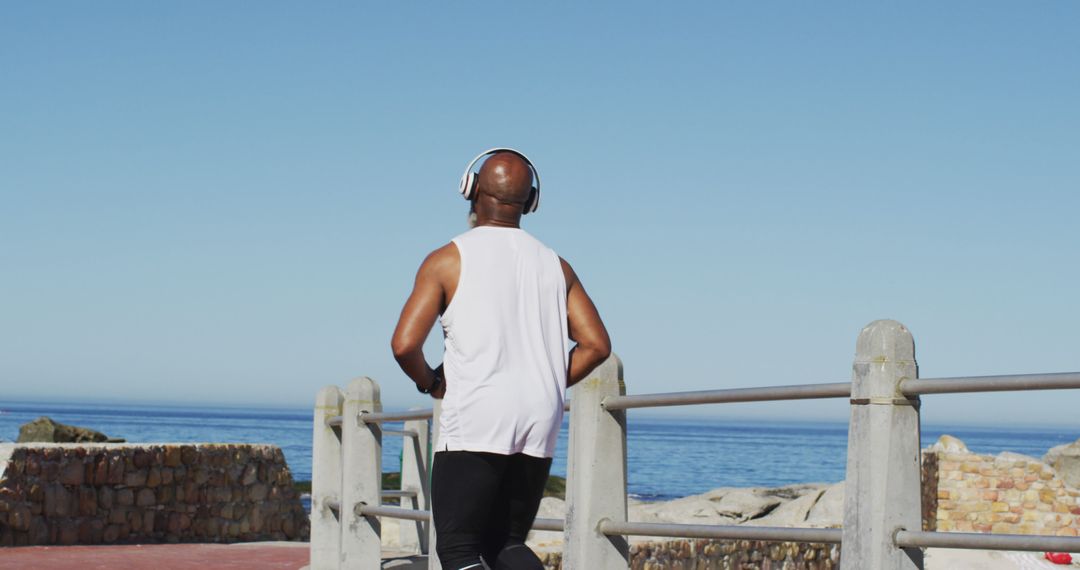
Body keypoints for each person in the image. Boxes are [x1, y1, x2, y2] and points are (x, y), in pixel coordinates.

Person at [391, 148, 611, 570]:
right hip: (538, 414)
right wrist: (544, 382)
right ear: (531, 202)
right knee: (505, 544)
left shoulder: (447, 259)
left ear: (470, 190)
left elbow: (404, 345)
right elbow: (596, 345)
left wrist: (431, 383)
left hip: (476, 413)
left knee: (457, 549)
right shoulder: (556, 266)